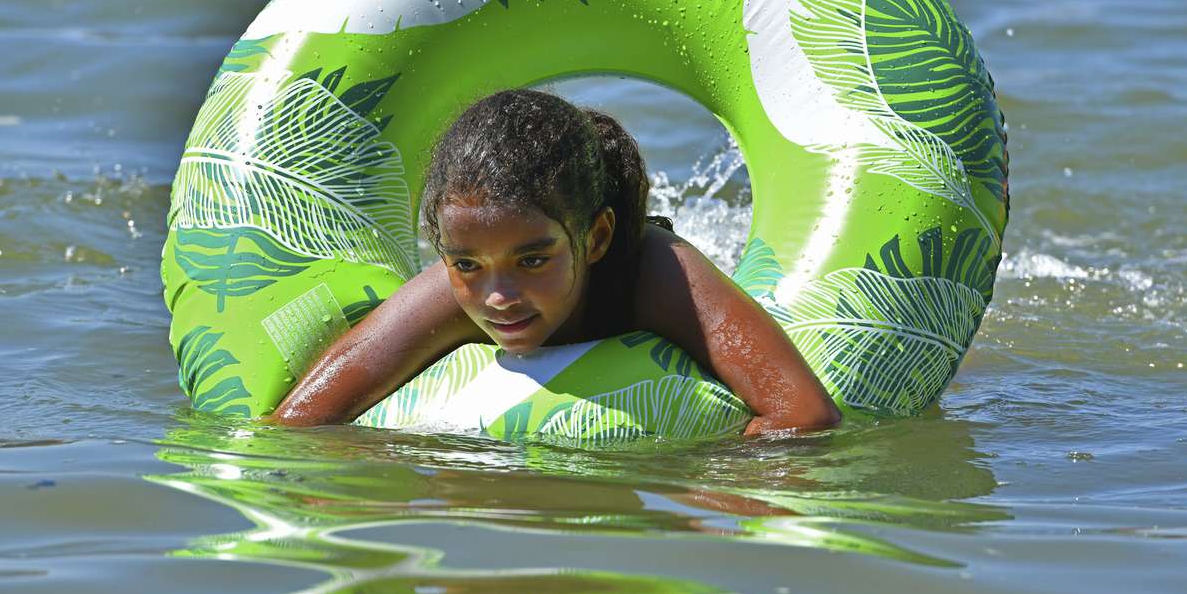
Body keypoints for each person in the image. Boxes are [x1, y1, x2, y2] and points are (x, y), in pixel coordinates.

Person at [272, 89, 840, 435]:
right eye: (466, 264)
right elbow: (300, 420)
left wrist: (695, 488)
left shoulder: (658, 275)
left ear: (594, 238)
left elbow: (805, 414)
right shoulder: (454, 289)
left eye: (533, 259)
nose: (498, 295)